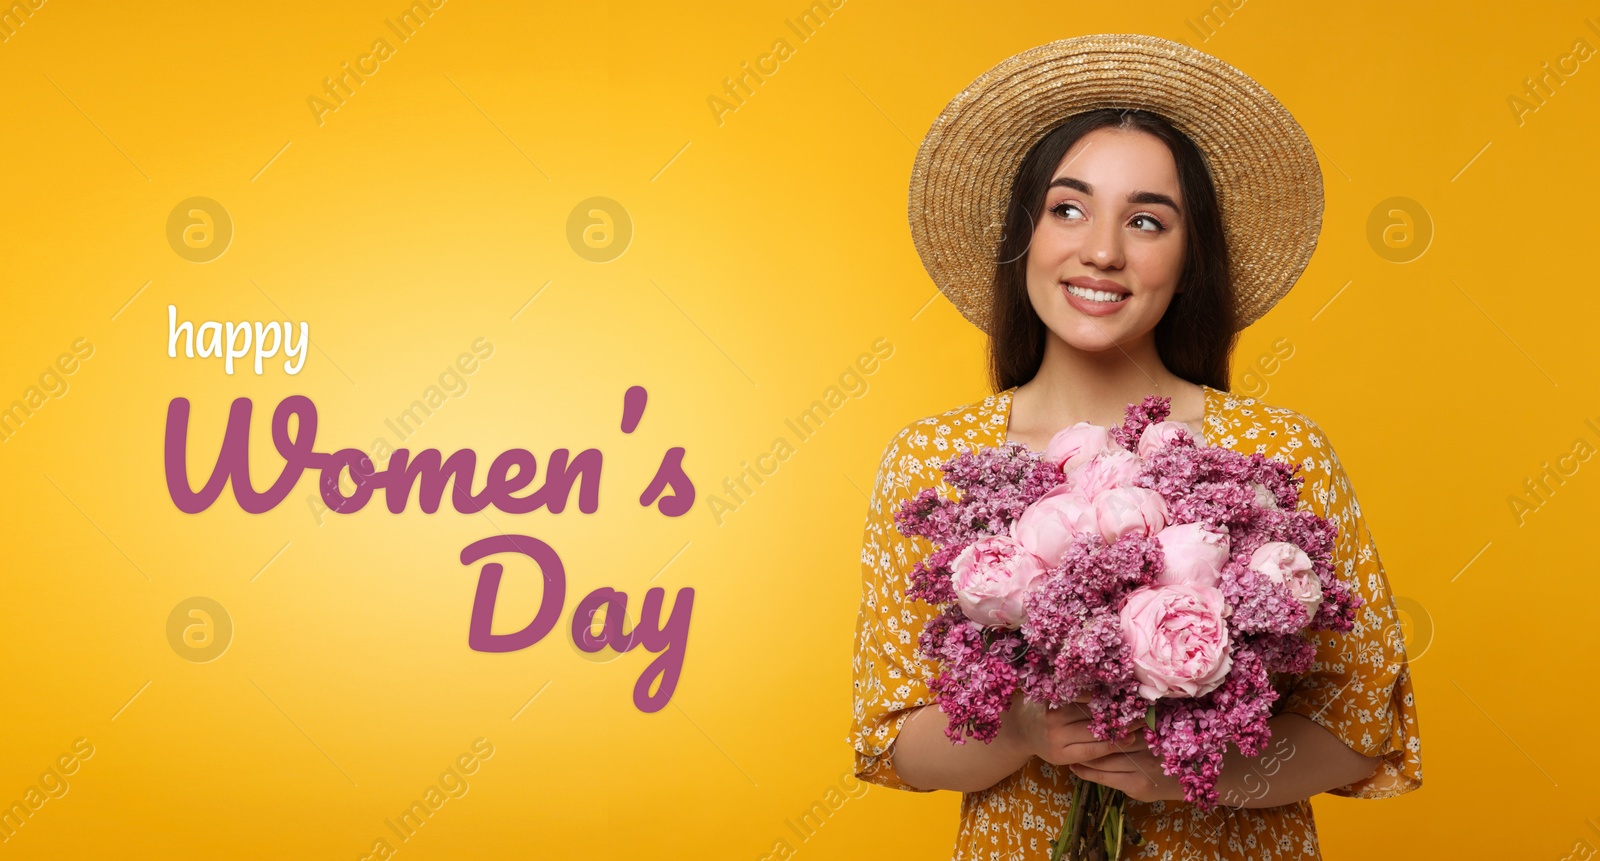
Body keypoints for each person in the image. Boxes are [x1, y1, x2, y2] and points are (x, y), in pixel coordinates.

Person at [848, 34, 1422, 859]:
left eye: (1146, 220)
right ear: (1025, 238)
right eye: (1068, 208)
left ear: (1189, 260)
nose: (1104, 250)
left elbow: (1364, 727)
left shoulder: (1275, 454)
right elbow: (892, 739)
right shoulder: (935, 459)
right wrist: (1024, 728)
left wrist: (1197, 766)